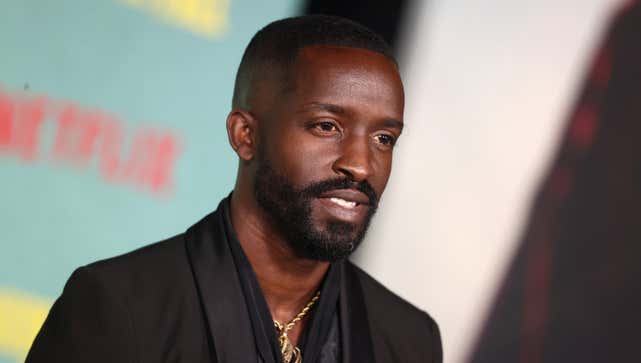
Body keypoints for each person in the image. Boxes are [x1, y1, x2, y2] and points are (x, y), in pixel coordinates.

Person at [26, 15, 442, 363]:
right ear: (245, 135)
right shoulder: (118, 308)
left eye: (384, 138)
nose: (360, 164)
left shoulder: (409, 340)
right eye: (326, 126)